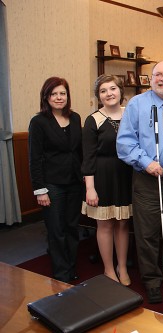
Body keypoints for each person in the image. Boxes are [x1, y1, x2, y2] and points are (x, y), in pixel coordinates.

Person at [116, 61, 163, 304]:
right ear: (151, 79)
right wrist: (145, 162)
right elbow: (125, 143)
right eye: (158, 74)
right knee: (148, 233)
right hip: (148, 180)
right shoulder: (137, 104)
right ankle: (151, 280)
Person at [29, 77, 83, 283]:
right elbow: (34, 159)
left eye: (63, 93)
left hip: (74, 183)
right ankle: (61, 274)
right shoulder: (39, 122)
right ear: (46, 96)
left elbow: (79, 152)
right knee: (56, 229)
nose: (59, 98)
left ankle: (70, 266)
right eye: (54, 94)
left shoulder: (76, 118)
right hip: (52, 184)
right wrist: (40, 190)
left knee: (71, 227)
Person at [81, 74, 133, 286]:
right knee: (105, 226)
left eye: (112, 89)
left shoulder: (130, 115)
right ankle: (108, 269)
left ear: (121, 92)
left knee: (122, 224)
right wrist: (90, 188)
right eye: (103, 91)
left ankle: (122, 266)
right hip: (102, 176)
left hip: (127, 175)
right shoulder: (93, 120)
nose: (109, 94)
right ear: (98, 96)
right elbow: (88, 157)